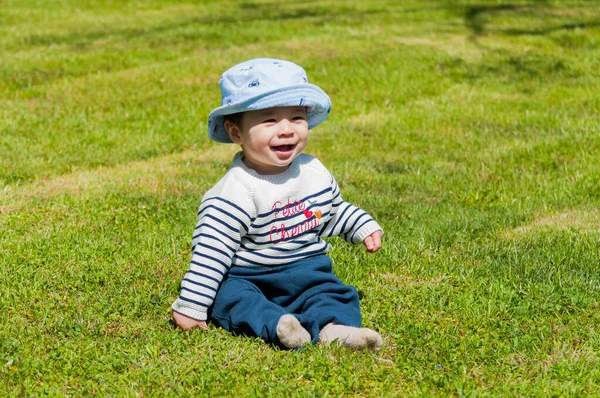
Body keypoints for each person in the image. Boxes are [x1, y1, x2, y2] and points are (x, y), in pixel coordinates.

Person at [171, 58, 384, 351]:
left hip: (307, 271)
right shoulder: (233, 192)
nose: (286, 130)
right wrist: (191, 306)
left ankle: (335, 329)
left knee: (332, 293)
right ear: (236, 133)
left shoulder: (313, 172)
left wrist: (361, 225)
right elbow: (211, 252)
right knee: (232, 297)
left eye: (297, 118)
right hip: (250, 277)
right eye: (269, 119)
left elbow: (329, 212)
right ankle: (281, 327)